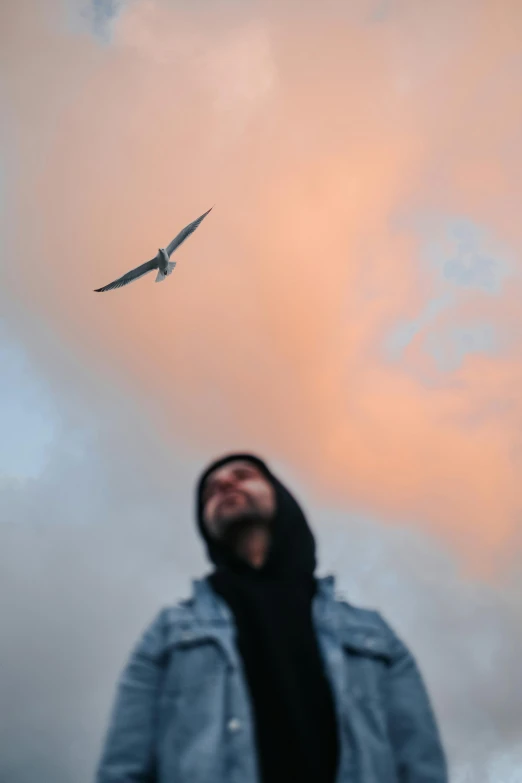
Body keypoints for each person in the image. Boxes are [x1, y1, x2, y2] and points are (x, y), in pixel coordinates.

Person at [96, 453, 448, 783]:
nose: (224, 486)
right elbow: (124, 766)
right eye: (210, 491)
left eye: (243, 476)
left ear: (280, 496)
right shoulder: (167, 634)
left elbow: (420, 762)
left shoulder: (373, 634)